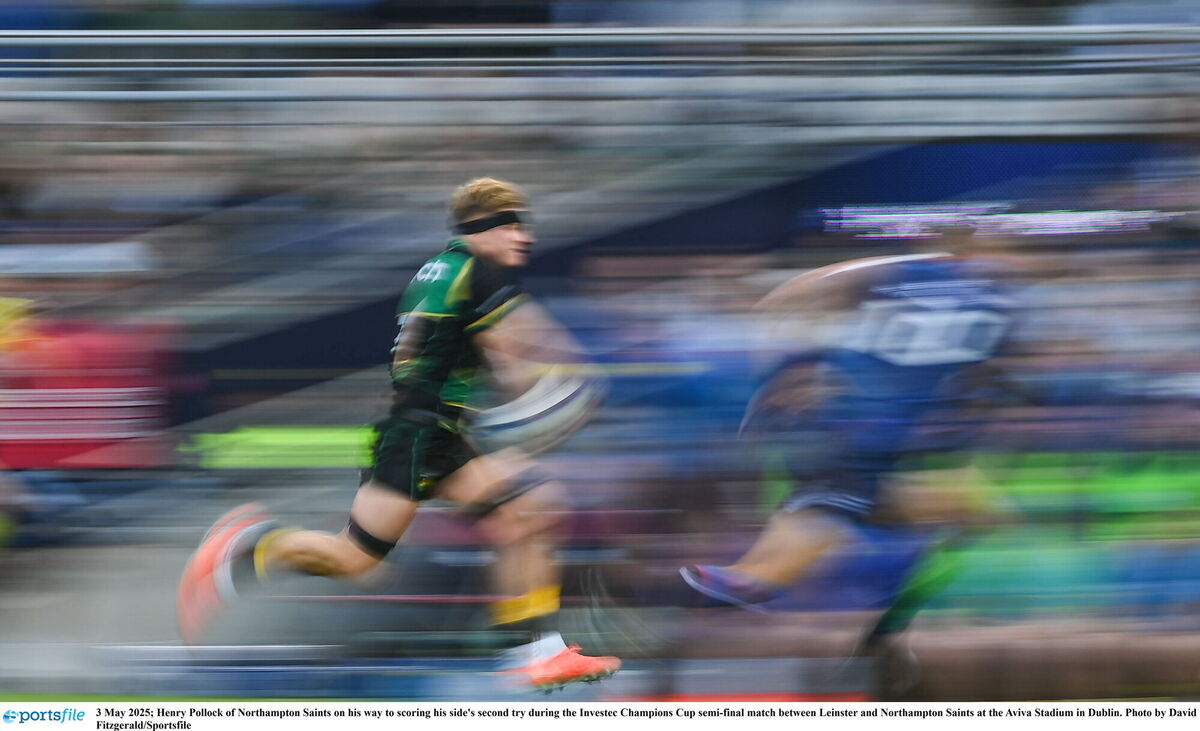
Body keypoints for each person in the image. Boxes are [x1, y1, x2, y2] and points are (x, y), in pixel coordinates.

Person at [179, 178, 620, 691]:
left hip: (426, 431)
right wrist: (559, 396)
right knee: (363, 556)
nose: (524, 237)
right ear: (483, 230)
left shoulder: (442, 268)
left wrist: (527, 405)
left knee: (524, 512)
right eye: (512, 225)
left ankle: (536, 654)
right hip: (422, 435)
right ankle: (256, 545)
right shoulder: (477, 271)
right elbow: (520, 355)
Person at [680, 226, 1018, 670]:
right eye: (1003, 247)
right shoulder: (997, 296)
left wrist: (779, 362)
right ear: (976, 250)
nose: (1006, 256)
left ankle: (780, 589)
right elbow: (987, 378)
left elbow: (807, 287)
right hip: (886, 424)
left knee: (864, 501)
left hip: (859, 418)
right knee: (843, 501)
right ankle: (757, 583)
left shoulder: (908, 272)